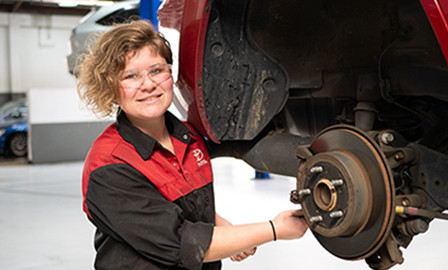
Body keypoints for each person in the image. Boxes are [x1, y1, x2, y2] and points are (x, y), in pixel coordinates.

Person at [77, 19, 308, 270]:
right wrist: (274, 230)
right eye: (130, 76)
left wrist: (224, 229)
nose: (148, 84)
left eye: (156, 70)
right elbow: (179, 242)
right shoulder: (109, 166)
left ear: (170, 73)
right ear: (110, 87)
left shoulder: (188, 136)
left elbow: (185, 206)